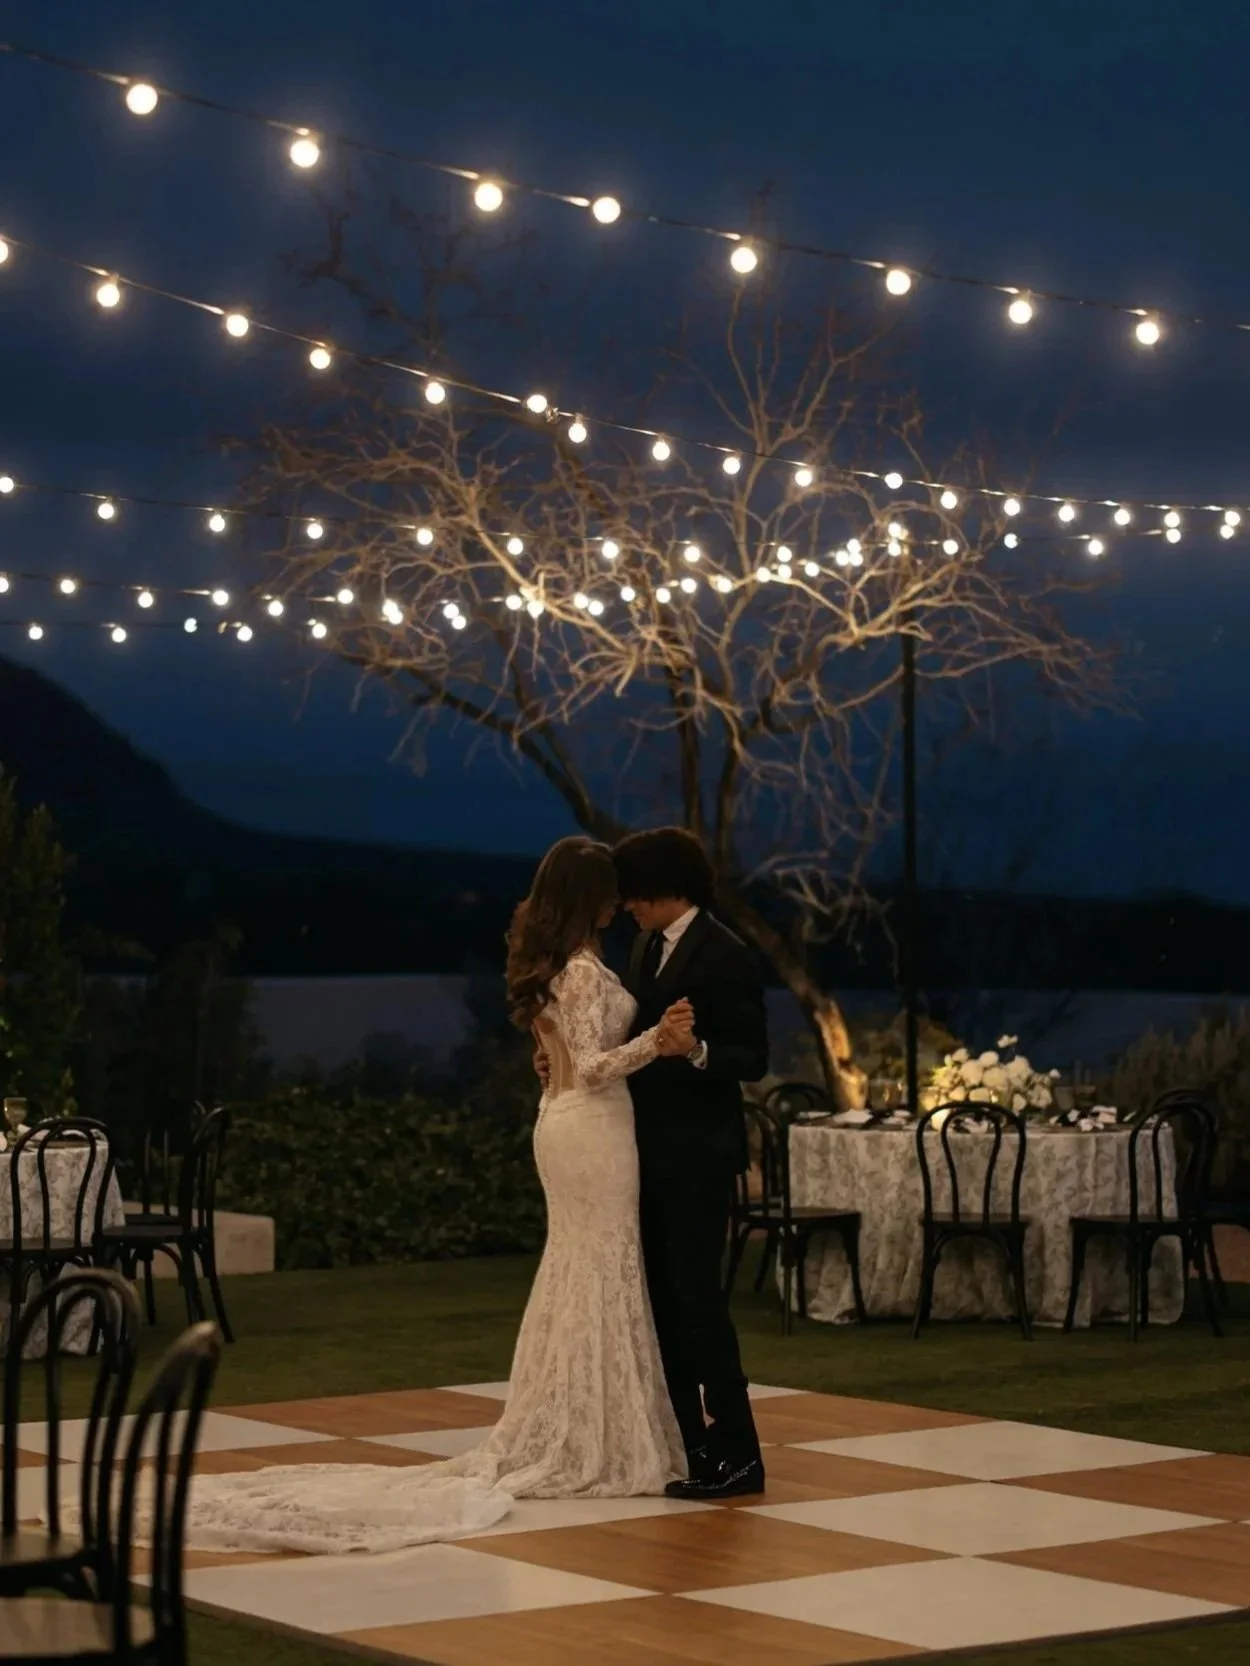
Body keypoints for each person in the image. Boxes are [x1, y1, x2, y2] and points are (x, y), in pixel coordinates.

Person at [132, 836, 695, 1556]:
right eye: (610, 892)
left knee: (583, 1267)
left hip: (568, 1126)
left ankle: (585, 1422)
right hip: (592, 1129)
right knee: (597, 1264)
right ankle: (591, 1435)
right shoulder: (583, 973)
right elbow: (590, 1067)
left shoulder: (561, 967)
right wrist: (660, 1041)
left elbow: (559, 1057)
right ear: (589, 897)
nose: (620, 902)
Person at [613, 827, 769, 1500]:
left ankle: (738, 1453)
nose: (626, 907)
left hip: (699, 1155)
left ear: (664, 887)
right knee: (664, 1305)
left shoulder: (726, 952)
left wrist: (697, 1049)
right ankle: (689, 1444)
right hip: (645, 1150)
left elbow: (752, 1058)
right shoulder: (646, 947)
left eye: (634, 894)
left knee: (700, 1301)